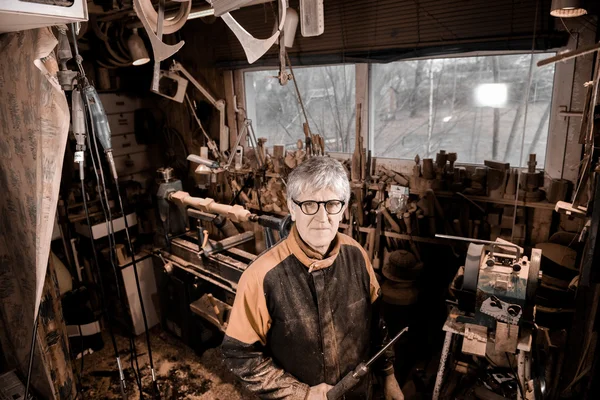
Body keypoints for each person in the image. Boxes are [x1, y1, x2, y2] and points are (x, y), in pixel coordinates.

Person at [222, 156, 404, 400]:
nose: (322, 217)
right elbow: (240, 355)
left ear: (343, 209)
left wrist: (389, 376)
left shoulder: (358, 257)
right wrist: (302, 394)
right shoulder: (260, 277)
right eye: (309, 204)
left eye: (332, 204)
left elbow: (376, 325)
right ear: (292, 208)